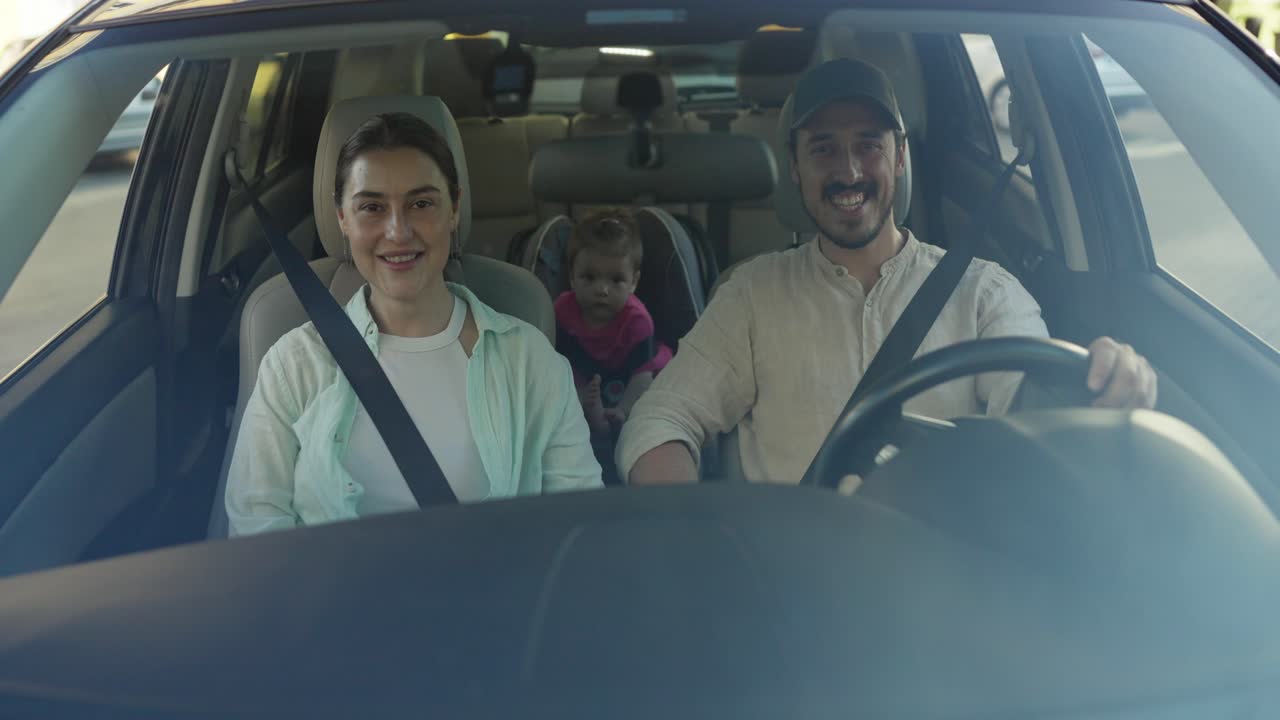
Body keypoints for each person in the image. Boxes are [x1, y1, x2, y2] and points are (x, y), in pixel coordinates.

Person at [618, 58, 1158, 487]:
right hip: (789, 583)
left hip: (942, 579)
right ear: (795, 167)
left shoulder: (983, 292)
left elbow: (1036, 416)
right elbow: (657, 421)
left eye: (869, 145)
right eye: (823, 148)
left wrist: (1102, 385)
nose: (848, 171)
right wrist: (697, 533)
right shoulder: (752, 295)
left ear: (899, 157)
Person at [226, 112, 601, 536]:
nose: (398, 231)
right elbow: (255, 528)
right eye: (371, 207)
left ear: (454, 208)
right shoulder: (293, 365)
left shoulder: (530, 360)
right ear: (342, 219)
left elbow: (576, 521)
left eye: (421, 204)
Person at [554, 208, 673, 437]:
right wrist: (581, 399)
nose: (602, 290)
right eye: (589, 277)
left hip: (629, 380)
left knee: (657, 382)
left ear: (633, 282)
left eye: (616, 279)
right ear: (571, 276)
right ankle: (591, 417)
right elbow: (563, 368)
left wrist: (624, 409)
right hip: (581, 382)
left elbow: (641, 376)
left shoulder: (638, 321)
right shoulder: (561, 312)